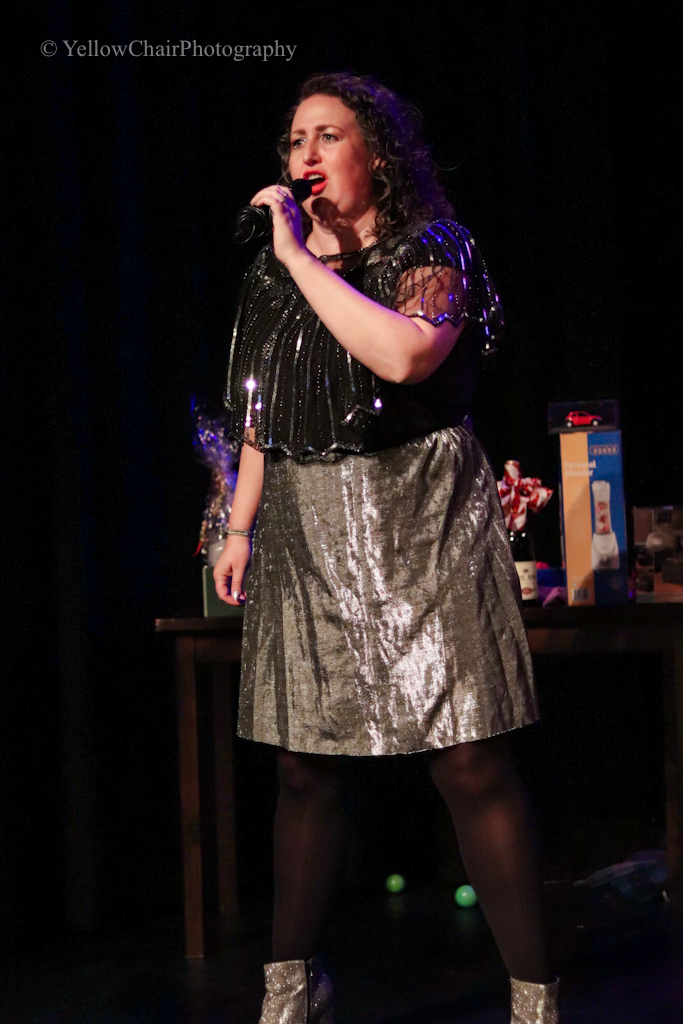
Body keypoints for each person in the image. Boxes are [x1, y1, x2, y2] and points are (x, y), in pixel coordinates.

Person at [214, 72, 559, 1024]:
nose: (306, 155)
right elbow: (263, 411)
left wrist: (299, 259)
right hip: (309, 525)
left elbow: (406, 355)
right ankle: (291, 988)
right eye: (295, 141)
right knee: (303, 766)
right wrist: (238, 525)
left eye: (328, 135)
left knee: (468, 760)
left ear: (379, 154)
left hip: (421, 512)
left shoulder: (432, 249)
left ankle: (534, 1000)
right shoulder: (273, 275)